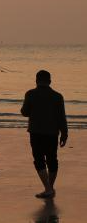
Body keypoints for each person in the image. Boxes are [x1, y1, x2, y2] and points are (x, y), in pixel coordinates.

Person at [21, 70, 68, 199]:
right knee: (52, 159)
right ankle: (49, 188)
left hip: (36, 132)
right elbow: (61, 118)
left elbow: (24, 112)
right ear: (50, 81)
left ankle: (48, 188)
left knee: (39, 159)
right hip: (52, 133)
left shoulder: (30, 94)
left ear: (36, 80)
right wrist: (64, 133)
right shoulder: (58, 96)